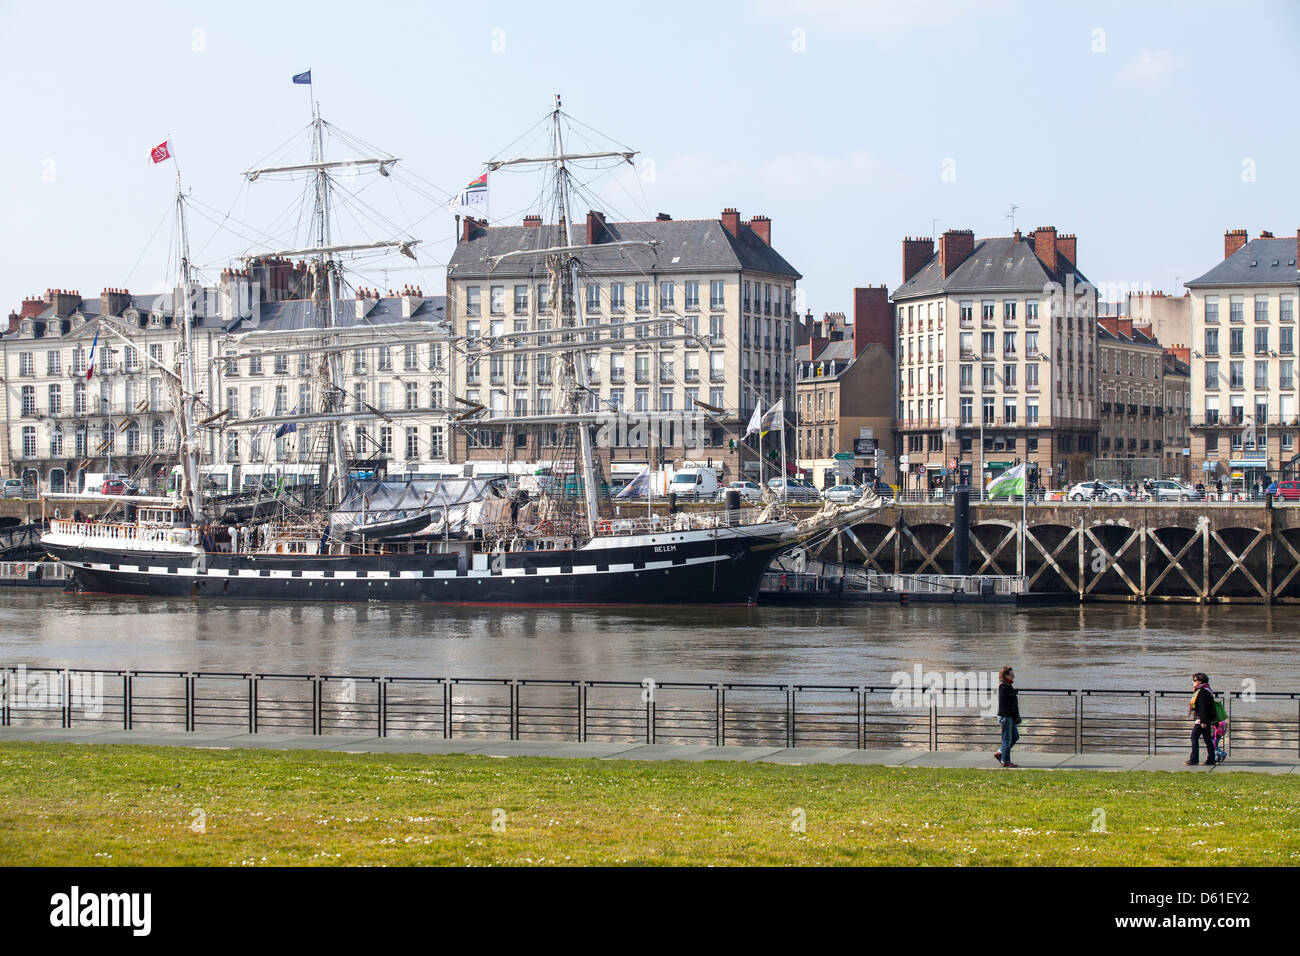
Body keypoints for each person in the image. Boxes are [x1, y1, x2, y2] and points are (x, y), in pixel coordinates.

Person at [1186, 672, 1218, 766]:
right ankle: (1211, 759)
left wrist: (1203, 721)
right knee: (1207, 739)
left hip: (1202, 720)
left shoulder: (1203, 692)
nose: (1193, 682)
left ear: (1200, 681)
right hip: (1204, 719)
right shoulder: (1206, 690)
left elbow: (1204, 707)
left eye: (1195, 680)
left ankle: (1194, 759)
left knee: (1194, 737)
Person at [993, 665, 1021, 768]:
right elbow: (1006, 703)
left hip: (1009, 716)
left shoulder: (1008, 686)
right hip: (1006, 716)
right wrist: (1013, 714)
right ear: (1005, 675)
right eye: (1011, 674)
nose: (1013, 676)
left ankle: (1000, 752)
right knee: (1007, 739)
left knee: (1015, 737)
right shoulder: (1004, 686)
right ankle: (1006, 760)